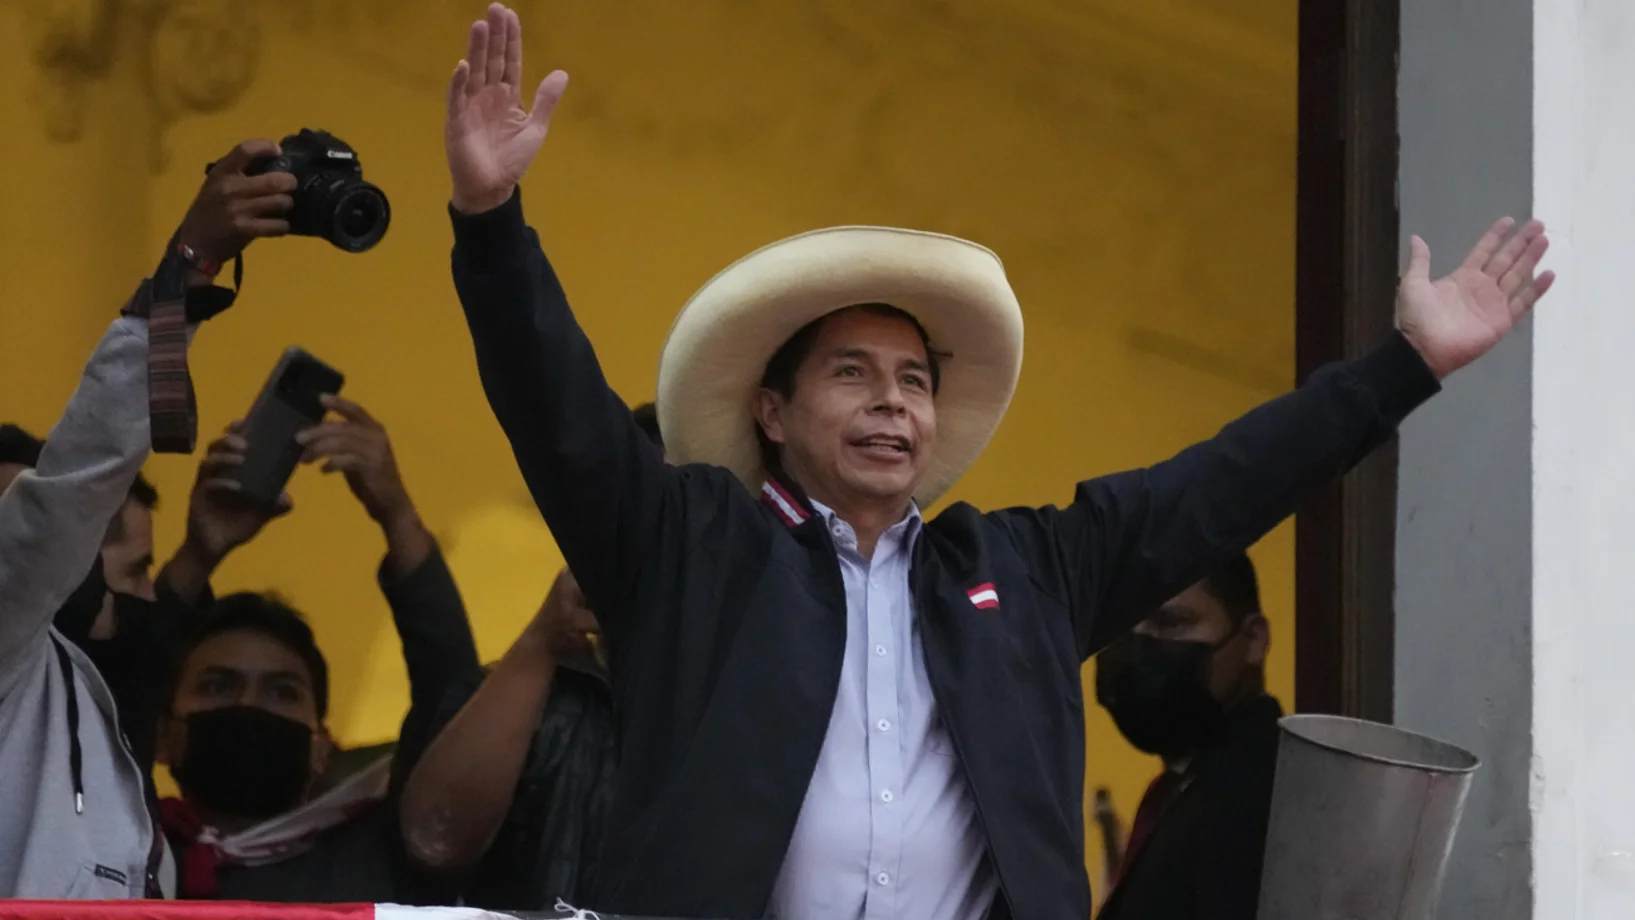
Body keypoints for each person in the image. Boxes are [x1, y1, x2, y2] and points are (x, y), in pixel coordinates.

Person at [440, 6, 1554, 917]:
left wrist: (1406, 364)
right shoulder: (690, 542)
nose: (892, 399)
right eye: (852, 373)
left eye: (914, 379)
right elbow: (562, 417)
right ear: (771, 409)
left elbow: (1225, 485)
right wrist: (492, 223)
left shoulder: (1025, 571)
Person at [0, 138, 298, 898]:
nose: (81, 565)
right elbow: (77, 481)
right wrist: (188, 266)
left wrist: (199, 552)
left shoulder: (93, 723)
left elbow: (146, 647)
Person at [153, 396, 481, 903]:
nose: (249, 706)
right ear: (161, 735)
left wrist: (397, 515)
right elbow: (118, 686)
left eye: (283, 693)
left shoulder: (388, 846)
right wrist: (200, 552)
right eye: (218, 686)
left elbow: (452, 696)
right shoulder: (121, 850)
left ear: (321, 745)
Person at [400, 402, 661, 909]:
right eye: (642, 514)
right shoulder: (533, 690)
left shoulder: (775, 686)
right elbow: (434, 841)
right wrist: (541, 641)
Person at [1093, 553, 1279, 920]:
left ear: (1253, 639)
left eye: (1172, 623)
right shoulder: (1189, 785)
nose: (1139, 647)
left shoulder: (1264, 794)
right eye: (1122, 625)